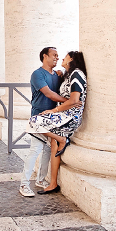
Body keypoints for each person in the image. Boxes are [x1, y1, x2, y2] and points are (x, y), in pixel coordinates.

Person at [27, 51, 88, 194]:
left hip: (71, 116)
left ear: (71, 59)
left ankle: (62, 139)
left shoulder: (77, 74)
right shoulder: (69, 74)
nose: (61, 58)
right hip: (64, 114)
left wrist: (54, 111)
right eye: (56, 55)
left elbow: (74, 100)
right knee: (53, 144)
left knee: (34, 121)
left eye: (65, 56)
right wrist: (60, 74)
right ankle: (53, 184)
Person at [18, 47, 72, 197]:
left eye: (58, 56)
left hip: (52, 119)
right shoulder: (37, 74)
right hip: (38, 117)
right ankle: (24, 184)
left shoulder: (57, 75)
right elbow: (50, 94)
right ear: (44, 56)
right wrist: (69, 102)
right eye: (54, 55)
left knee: (48, 150)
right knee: (35, 150)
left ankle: (41, 180)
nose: (56, 58)